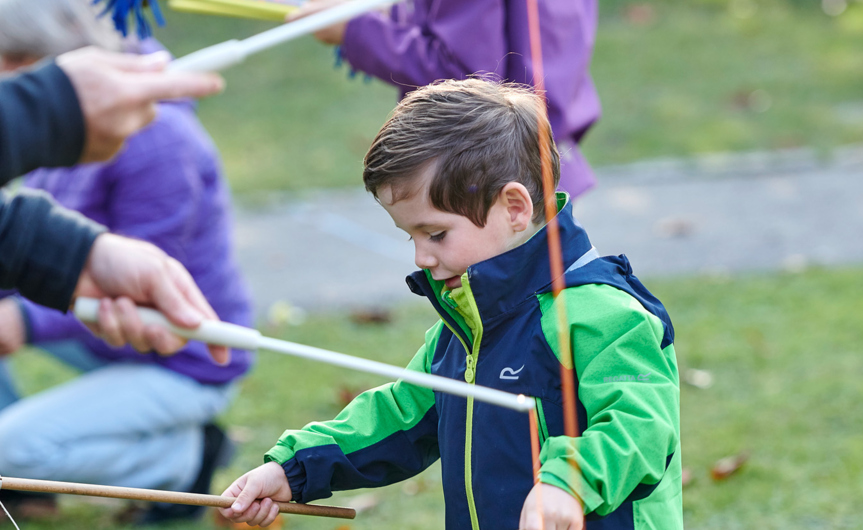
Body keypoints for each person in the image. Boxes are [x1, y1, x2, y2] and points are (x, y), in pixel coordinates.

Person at [219, 80, 681, 529]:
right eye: (411, 236)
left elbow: (642, 426)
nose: (421, 257)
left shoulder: (605, 313)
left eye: (436, 234)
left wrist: (567, 483)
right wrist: (292, 471)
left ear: (515, 208)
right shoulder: (464, 327)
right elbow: (401, 415)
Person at [0, 0, 252, 524]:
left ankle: (182, 459)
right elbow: (29, 244)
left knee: (7, 452)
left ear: (33, 58)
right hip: (97, 336)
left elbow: (144, 282)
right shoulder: (56, 132)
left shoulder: (158, 143)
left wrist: (20, 317)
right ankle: (25, 486)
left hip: (181, 359)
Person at [288, 0, 601, 199]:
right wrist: (385, 14)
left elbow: (466, 77)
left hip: (488, 174)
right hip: (546, 152)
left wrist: (355, 31)